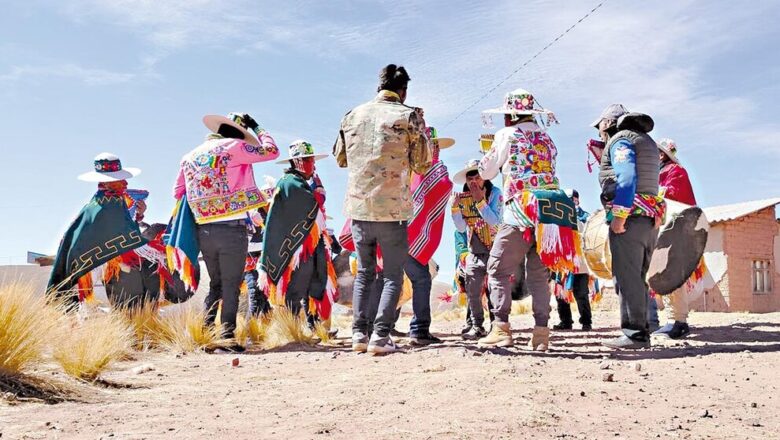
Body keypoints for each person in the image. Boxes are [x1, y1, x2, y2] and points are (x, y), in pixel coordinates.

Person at [334, 64, 432, 355]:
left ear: (380, 87)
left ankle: (358, 335)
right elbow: (423, 163)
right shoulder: (408, 115)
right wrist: (421, 129)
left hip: (359, 209)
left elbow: (341, 159)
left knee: (364, 273)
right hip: (392, 210)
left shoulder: (351, 115)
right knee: (392, 275)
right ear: (403, 91)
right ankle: (380, 336)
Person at [478, 88, 582, 351]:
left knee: (498, 268)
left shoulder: (506, 134)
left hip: (521, 208)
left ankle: (501, 327)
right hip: (550, 210)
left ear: (511, 114)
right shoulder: (547, 139)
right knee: (538, 274)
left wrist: (487, 153)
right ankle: (541, 332)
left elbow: (487, 171)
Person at [173, 112, 279, 352]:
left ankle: (207, 335)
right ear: (239, 134)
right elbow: (271, 151)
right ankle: (226, 338)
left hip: (203, 228)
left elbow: (178, 191)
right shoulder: (235, 147)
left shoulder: (189, 156)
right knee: (232, 284)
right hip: (231, 229)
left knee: (217, 284)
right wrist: (257, 127)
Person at [592, 104, 665, 349]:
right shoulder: (648, 142)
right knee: (638, 276)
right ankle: (643, 329)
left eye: (600, 125)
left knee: (627, 277)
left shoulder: (621, 140)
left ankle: (635, 334)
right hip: (648, 219)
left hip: (630, 218)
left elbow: (627, 178)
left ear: (608, 124)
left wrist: (620, 216)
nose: (599, 132)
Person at [48, 153, 148, 308]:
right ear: (109, 182)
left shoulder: (106, 200)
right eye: (119, 179)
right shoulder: (109, 202)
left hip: (86, 257)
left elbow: (121, 226)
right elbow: (124, 232)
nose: (125, 183)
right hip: (93, 262)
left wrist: (139, 215)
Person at [258, 140, 338, 327]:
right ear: (300, 162)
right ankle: (291, 329)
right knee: (297, 287)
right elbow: (312, 204)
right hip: (296, 248)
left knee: (310, 283)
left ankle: (312, 326)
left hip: (304, 246)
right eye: (311, 160)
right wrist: (319, 191)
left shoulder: (297, 183)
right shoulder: (291, 183)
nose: (314, 165)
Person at [403, 128, 454, 346]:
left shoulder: (405, 169)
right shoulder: (429, 170)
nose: (436, 150)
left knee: (389, 280)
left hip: (395, 232)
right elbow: (441, 188)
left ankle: (374, 330)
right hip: (409, 235)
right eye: (434, 146)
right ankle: (419, 330)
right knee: (420, 280)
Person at [651, 138, 699, 339]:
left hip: (678, 230)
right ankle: (674, 320)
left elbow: (674, 196)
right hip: (665, 230)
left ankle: (678, 321)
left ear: (662, 155)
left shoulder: (676, 172)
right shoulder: (659, 174)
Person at [451, 159, 502, 340]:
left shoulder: (495, 193)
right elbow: (460, 228)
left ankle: (497, 326)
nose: (473, 181)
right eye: (469, 178)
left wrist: (480, 201)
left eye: (477, 177)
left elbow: (495, 221)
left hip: (496, 249)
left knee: (494, 289)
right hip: (475, 249)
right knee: (472, 290)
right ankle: (477, 325)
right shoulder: (464, 198)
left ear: (484, 177)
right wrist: (455, 209)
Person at [553, 189, 594, 331]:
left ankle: (586, 322)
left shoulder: (587, 218)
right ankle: (566, 321)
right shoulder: (556, 217)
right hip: (562, 263)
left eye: (571, 199)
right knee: (561, 293)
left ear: (577, 200)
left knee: (581, 293)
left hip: (580, 263)